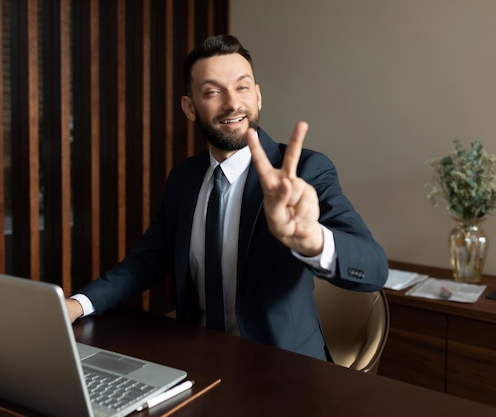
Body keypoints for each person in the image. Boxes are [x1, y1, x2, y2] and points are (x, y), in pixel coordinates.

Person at [65, 34, 388, 361]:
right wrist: (78, 304)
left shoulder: (306, 170)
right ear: (190, 108)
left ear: (258, 96)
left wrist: (312, 240)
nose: (233, 103)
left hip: (286, 371)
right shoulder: (183, 179)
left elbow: (374, 268)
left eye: (242, 87)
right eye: (213, 92)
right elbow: (145, 262)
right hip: (197, 361)